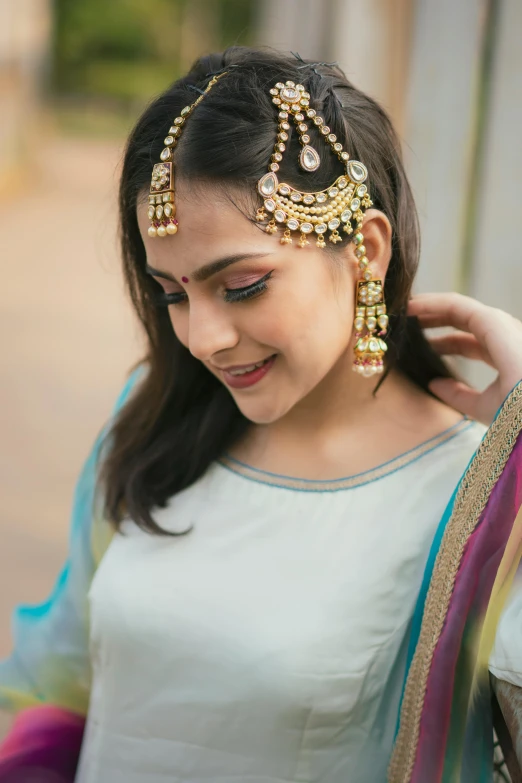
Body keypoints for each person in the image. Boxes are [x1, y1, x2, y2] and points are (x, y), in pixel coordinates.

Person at [0, 47, 521, 783]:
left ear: (365, 251)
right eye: (172, 293)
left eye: (241, 285)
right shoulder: (153, 416)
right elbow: (55, 678)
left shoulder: (475, 496)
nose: (202, 337)